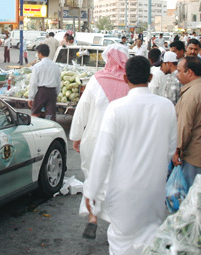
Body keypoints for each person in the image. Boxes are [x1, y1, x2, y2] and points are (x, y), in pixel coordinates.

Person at [83, 56, 177, 255]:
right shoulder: (166, 107)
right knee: (151, 243)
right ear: (151, 77)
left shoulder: (116, 109)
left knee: (121, 243)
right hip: (154, 191)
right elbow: (170, 149)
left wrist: (92, 192)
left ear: (125, 78)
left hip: (123, 192)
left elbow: (102, 156)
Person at [69, 44, 129, 239]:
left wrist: (76, 136)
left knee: (93, 177)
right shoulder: (131, 83)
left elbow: (81, 110)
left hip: (94, 138)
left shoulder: (96, 80)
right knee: (116, 182)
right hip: (119, 142)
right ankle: (115, 223)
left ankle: (92, 217)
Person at [172, 56, 201, 187]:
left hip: (193, 155)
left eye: (179, 71)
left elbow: (184, 127)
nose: (177, 75)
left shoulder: (191, 94)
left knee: (192, 196)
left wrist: (177, 150)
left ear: (189, 72)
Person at [27, 44, 61, 121]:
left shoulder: (38, 66)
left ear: (40, 53)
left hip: (41, 92)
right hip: (52, 92)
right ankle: (49, 127)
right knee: (50, 114)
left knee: (35, 111)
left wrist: (31, 97)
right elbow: (58, 82)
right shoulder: (55, 66)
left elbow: (34, 83)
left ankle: (34, 126)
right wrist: (56, 93)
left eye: (37, 53)